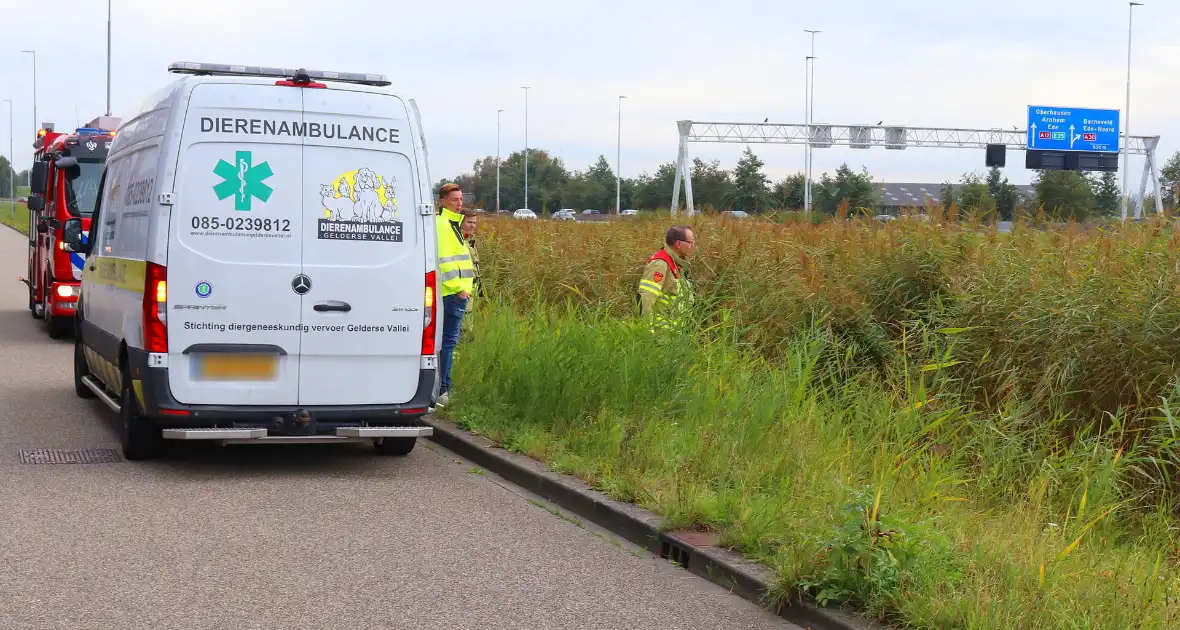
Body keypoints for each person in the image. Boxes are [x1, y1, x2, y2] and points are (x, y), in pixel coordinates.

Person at [435, 183, 475, 406]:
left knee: (447, 342)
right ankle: (443, 391)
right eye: (454, 199)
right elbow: (444, 261)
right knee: (448, 343)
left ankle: (443, 388)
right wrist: (460, 290)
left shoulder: (453, 224)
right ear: (442, 201)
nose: (459, 203)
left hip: (456, 292)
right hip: (452, 293)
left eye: (460, 199)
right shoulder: (443, 225)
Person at [636, 224, 696, 330]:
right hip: (661, 335)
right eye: (690, 242)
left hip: (675, 334)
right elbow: (647, 298)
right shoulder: (660, 264)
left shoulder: (678, 264)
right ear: (678, 244)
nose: (692, 246)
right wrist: (647, 331)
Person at [460, 210, 481, 329]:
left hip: (472, 289)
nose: (472, 225)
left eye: (474, 222)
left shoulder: (470, 241)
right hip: (463, 289)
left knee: (469, 321)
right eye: (469, 222)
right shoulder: (458, 241)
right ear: (461, 222)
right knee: (464, 326)